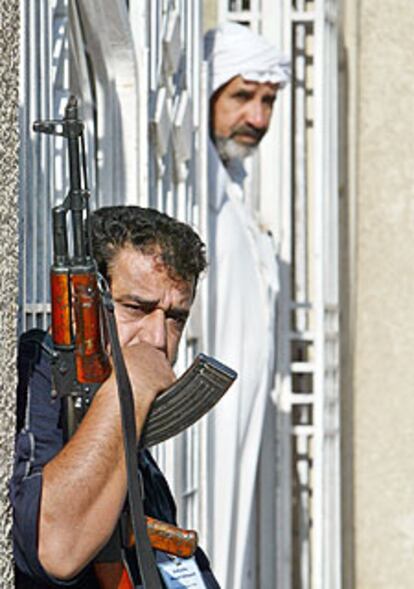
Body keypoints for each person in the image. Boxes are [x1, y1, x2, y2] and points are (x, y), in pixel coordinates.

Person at [10, 206, 220, 588]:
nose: (157, 339)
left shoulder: (136, 442)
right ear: (88, 304)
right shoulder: (41, 378)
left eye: (174, 318)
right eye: (136, 308)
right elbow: (56, 548)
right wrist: (132, 386)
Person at [204, 22, 290, 588]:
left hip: (240, 425)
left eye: (268, 100)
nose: (257, 118)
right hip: (199, 434)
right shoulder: (196, 193)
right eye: (242, 96)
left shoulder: (234, 189)